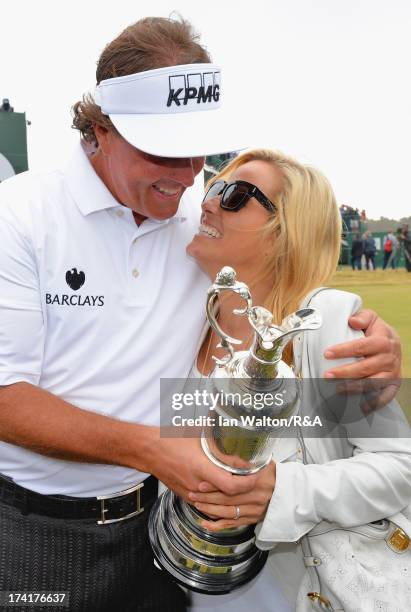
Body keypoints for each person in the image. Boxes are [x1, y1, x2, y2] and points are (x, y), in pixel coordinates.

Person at [0, 17, 402, 612]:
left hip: (169, 540)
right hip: (41, 532)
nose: (192, 178)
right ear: (101, 127)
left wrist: (369, 338)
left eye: (201, 150)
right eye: (163, 150)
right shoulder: (20, 214)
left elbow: (286, 281)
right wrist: (155, 451)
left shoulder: (198, 215)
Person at [185, 149, 410, 611]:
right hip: (195, 590)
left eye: (236, 196)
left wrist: (281, 492)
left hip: (307, 594)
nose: (209, 202)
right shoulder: (185, 320)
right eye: (213, 189)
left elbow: (399, 468)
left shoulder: (322, 324)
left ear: (283, 233)